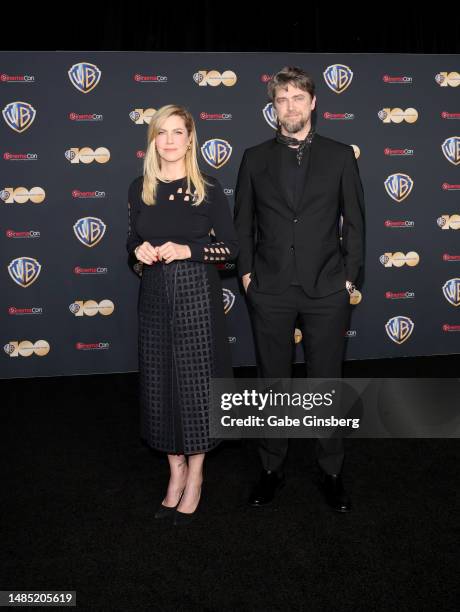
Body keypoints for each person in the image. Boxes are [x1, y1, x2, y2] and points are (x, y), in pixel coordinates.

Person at [234, 66, 365, 512]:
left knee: (327, 382)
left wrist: (348, 278)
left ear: (313, 104)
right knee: (273, 383)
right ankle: (272, 467)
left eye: (296, 98)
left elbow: (357, 224)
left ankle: (330, 471)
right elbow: (242, 224)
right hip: (269, 288)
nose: (288, 107)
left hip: (327, 288)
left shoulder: (341, 155)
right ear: (273, 108)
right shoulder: (253, 158)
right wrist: (248, 276)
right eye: (280, 100)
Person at [126, 104, 239, 525]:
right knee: (159, 386)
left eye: (178, 132)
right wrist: (137, 251)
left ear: (191, 139)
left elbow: (230, 249)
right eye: (162, 132)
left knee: (194, 387)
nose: (170, 140)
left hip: (196, 295)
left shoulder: (208, 187)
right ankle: (173, 474)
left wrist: (188, 250)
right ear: (153, 139)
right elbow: (130, 242)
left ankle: (196, 475)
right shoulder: (139, 188)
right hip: (154, 295)